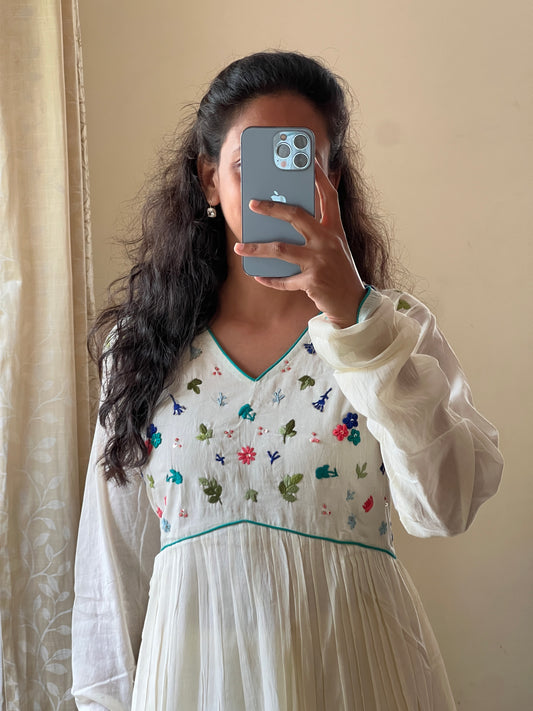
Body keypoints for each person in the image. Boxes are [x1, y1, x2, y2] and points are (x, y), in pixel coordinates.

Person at [71, 50, 503, 710]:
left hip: (358, 678)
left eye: (298, 165)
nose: (273, 194)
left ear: (331, 180)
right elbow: (111, 569)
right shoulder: (141, 350)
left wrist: (355, 318)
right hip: (194, 684)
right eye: (251, 167)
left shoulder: (394, 330)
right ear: (209, 179)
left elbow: (444, 506)